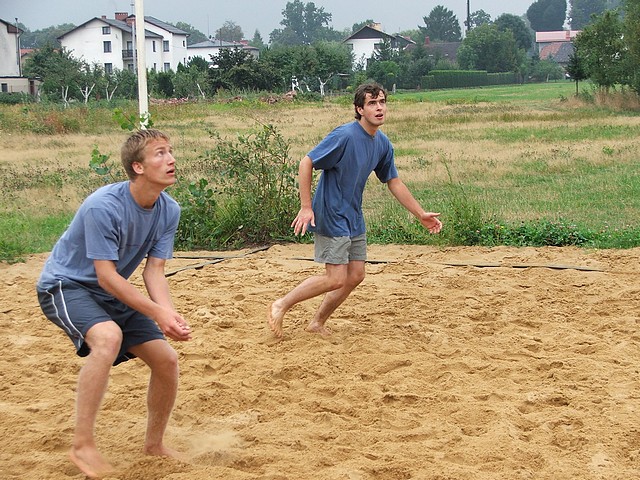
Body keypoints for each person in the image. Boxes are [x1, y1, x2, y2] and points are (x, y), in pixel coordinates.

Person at [36, 129, 191, 478]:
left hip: (110, 292)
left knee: (166, 360)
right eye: (160, 153)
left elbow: (154, 271)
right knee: (107, 338)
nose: (171, 159)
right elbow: (105, 276)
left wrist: (168, 313)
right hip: (66, 285)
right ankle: (82, 445)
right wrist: (156, 312)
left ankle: (154, 445)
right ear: (138, 167)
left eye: (170, 151)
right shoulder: (103, 206)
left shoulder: (169, 209)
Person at [268, 82, 442, 338]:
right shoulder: (345, 136)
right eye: (372, 103)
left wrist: (420, 214)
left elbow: (394, 181)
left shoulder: (382, 143)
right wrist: (306, 207)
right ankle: (281, 305)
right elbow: (307, 162)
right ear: (360, 109)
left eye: (382, 102)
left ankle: (317, 322)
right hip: (331, 213)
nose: (379, 108)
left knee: (356, 275)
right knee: (335, 278)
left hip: (353, 216)